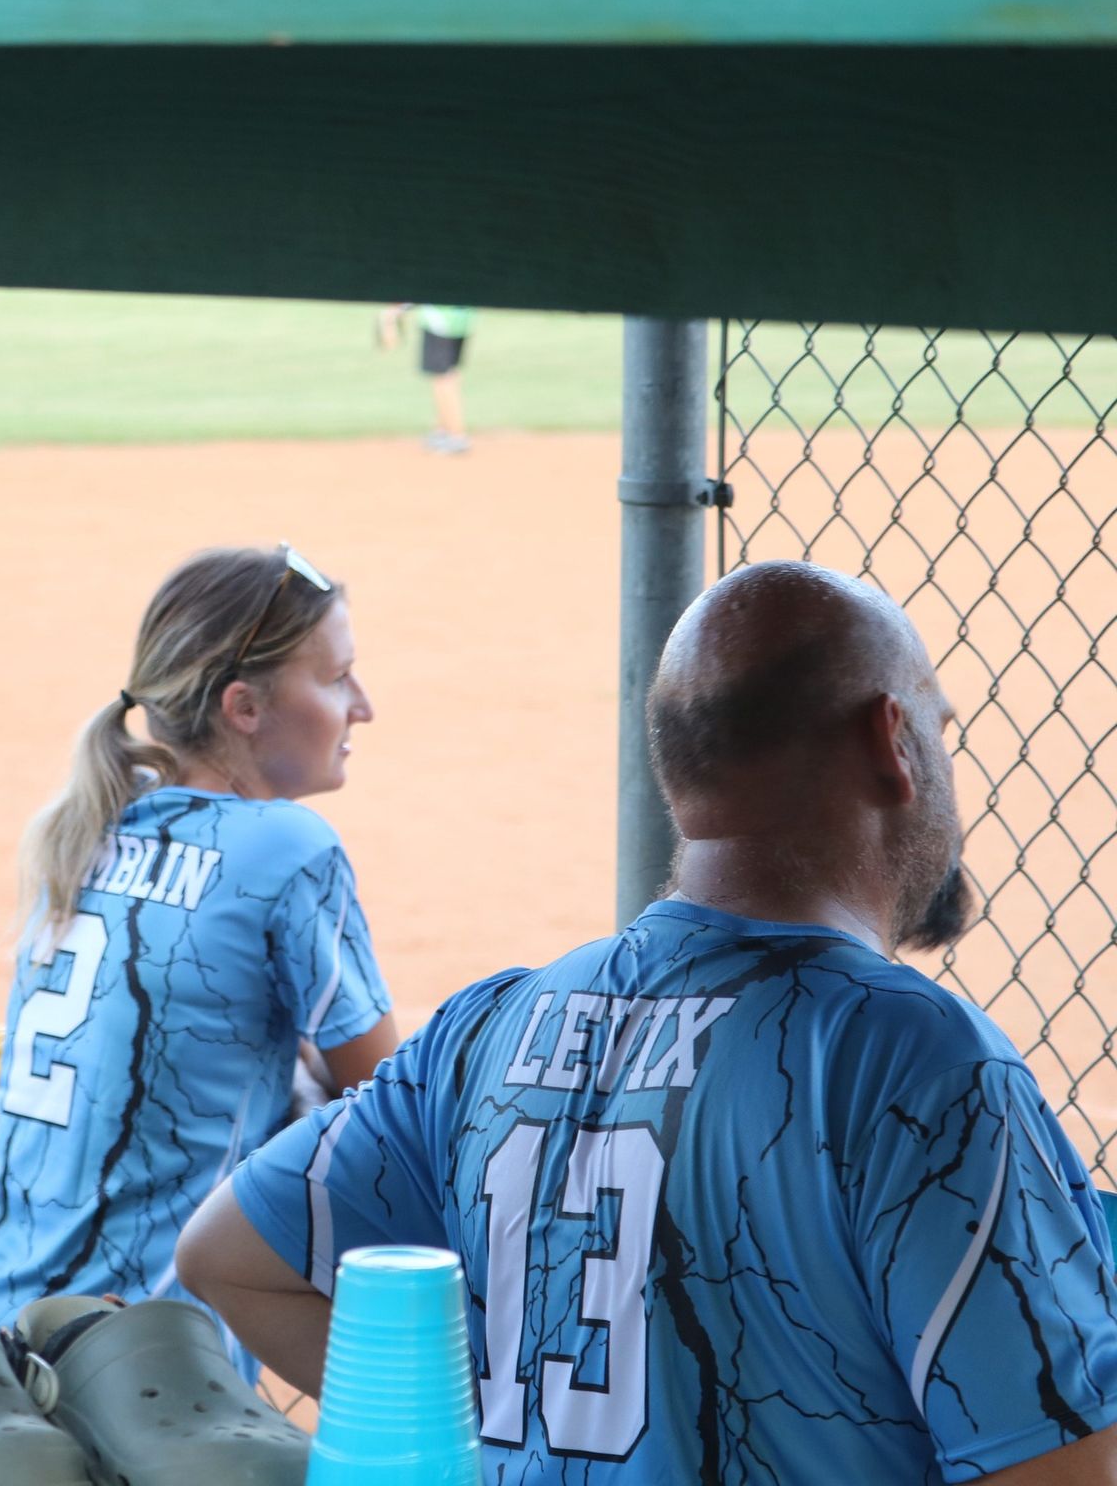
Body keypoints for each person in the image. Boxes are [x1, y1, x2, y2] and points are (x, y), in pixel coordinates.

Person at [180, 560, 1117, 1482]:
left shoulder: (487, 1026)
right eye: (939, 729)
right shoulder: (910, 1057)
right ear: (893, 742)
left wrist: (481, 1428)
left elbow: (228, 1255)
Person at [0, 544, 400, 1365]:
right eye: (335, 678)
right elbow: (389, 1103)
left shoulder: (85, 828)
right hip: (135, 1366)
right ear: (244, 708)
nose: (360, 705)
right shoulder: (287, 847)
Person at [377, 303, 474, 453]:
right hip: (463, 319)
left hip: (439, 322)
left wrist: (395, 311)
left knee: (442, 377)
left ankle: (456, 436)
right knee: (451, 372)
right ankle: (443, 430)